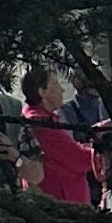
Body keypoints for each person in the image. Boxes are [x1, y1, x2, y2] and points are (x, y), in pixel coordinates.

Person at [22, 59, 103, 208]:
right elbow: (78, 158)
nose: (62, 90)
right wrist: (104, 150)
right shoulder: (41, 124)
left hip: (63, 203)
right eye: (56, 84)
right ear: (42, 92)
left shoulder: (45, 119)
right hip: (61, 207)